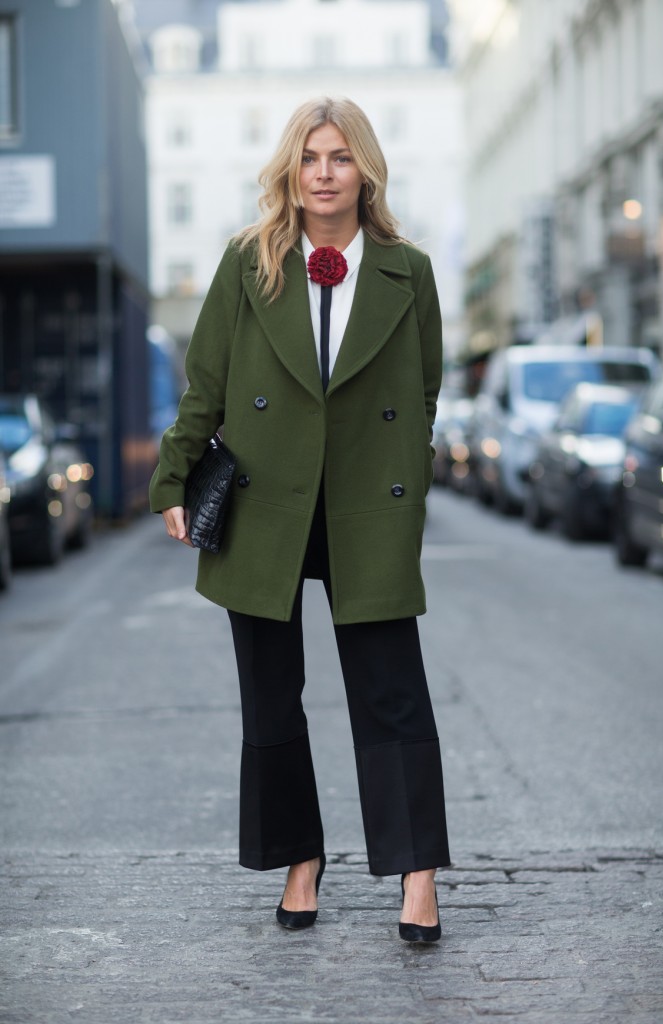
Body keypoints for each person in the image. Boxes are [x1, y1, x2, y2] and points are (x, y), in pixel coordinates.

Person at [150, 96, 450, 943]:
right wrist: (173, 476)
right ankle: (300, 859)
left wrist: (407, 482)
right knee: (271, 699)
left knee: (392, 697)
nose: (324, 172)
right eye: (311, 156)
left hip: (368, 506)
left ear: (366, 172)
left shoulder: (408, 270)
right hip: (265, 502)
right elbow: (206, 384)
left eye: (341, 157)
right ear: (291, 168)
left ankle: (417, 877)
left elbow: (423, 395)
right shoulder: (248, 263)